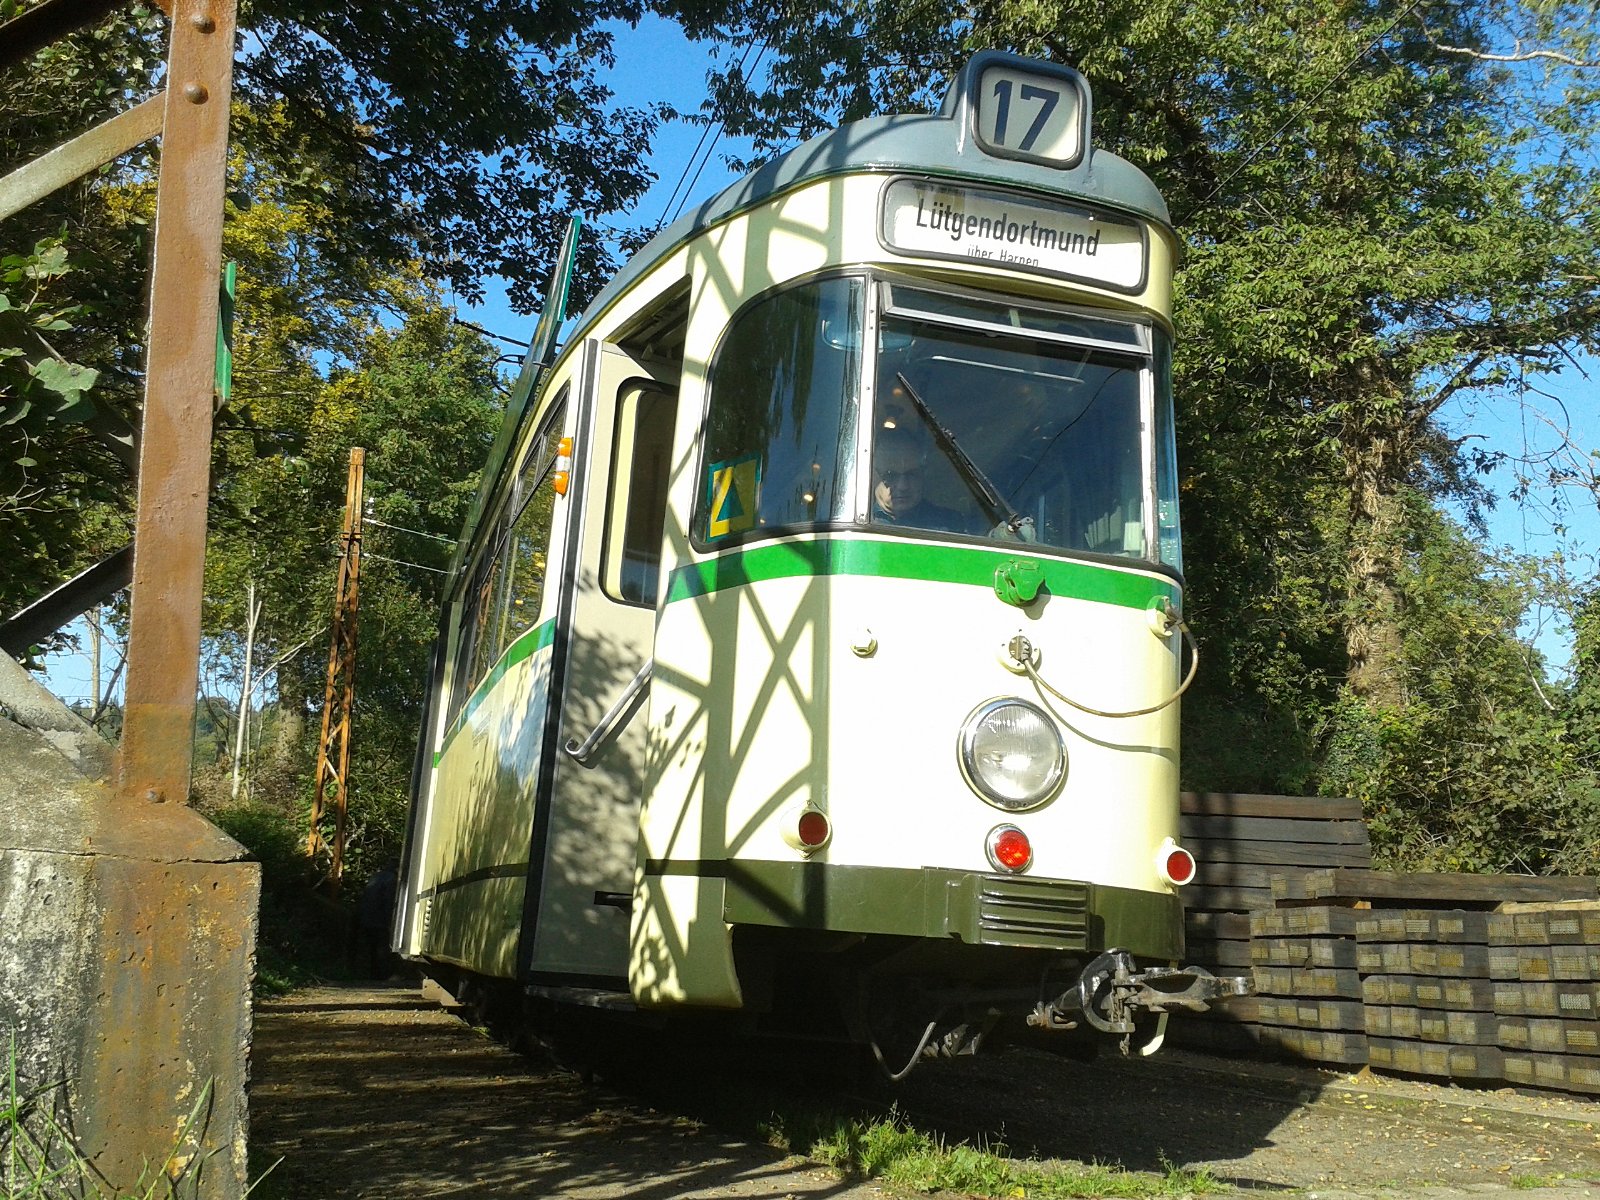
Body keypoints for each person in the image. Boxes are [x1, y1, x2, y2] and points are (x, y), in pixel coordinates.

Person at [871, 431, 970, 533]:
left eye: (912, 474)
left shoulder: (950, 523)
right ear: (873, 476)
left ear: (923, 474)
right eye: (891, 475)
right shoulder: (856, 524)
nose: (903, 486)